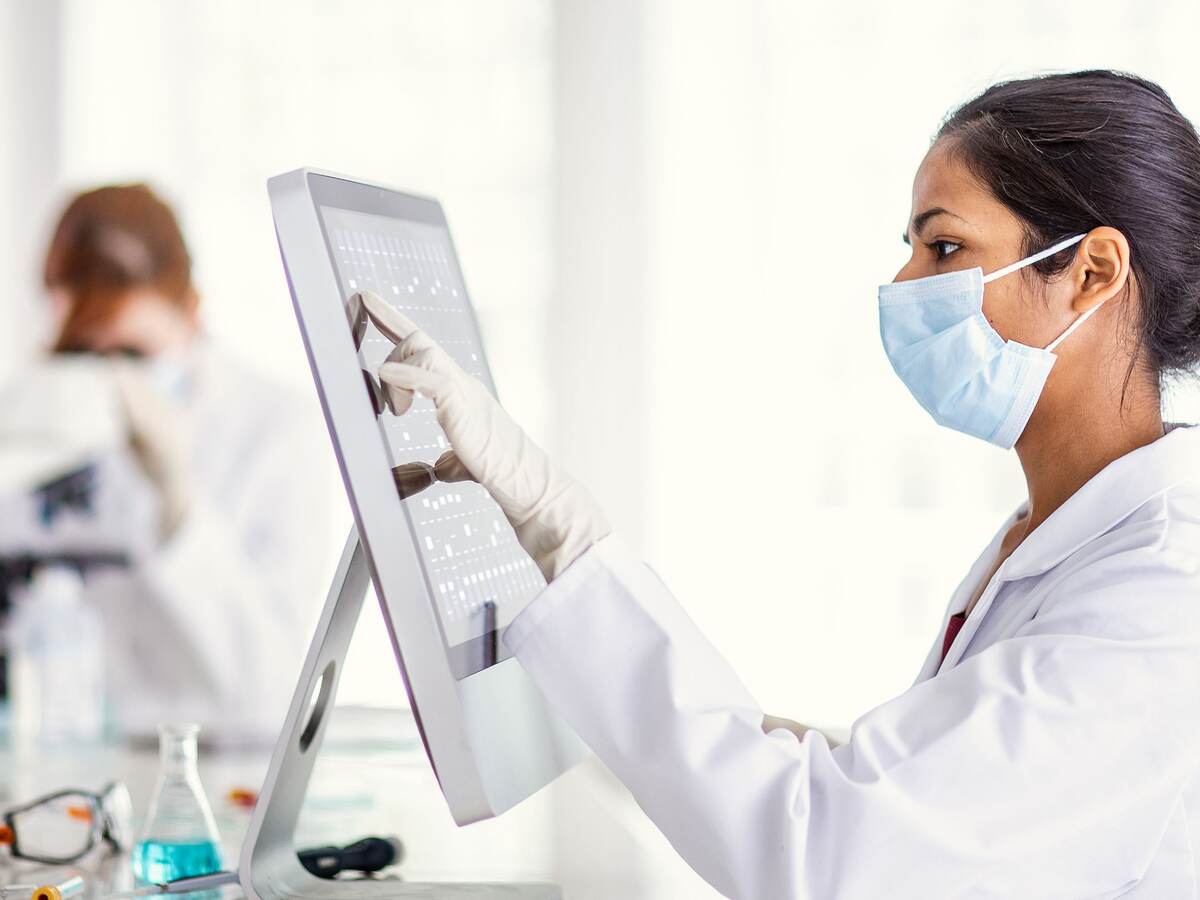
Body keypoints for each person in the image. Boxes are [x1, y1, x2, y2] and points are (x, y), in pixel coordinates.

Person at [361, 70, 1200, 897]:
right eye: (910, 249)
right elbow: (916, 797)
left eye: (944, 246)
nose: (905, 285)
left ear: (1091, 273)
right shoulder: (1061, 533)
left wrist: (564, 529)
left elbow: (833, 854)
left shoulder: (1159, 595)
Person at [0, 184, 330, 742]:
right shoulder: (26, 421)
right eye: (83, 351)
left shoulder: (276, 429)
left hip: (213, 771)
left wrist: (178, 501)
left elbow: (270, 687)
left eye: (133, 353)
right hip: (59, 770)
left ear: (191, 313)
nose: (110, 380)